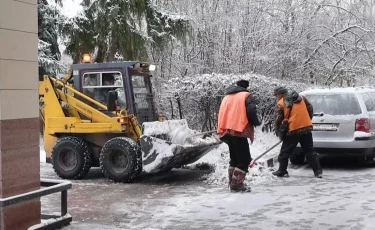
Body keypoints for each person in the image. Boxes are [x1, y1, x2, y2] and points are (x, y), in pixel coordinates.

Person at [217, 79, 261, 192]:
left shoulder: (227, 96)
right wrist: (256, 122)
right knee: (244, 159)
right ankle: (237, 185)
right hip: (239, 130)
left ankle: (232, 182)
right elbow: (251, 110)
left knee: (234, 158)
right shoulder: (246, 95)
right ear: (246, 87)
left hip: (227, 130)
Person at [273, 86, 323, 178]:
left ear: (280, 94)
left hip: (293, 130)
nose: (276, 97)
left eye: (276, 95)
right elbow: (310, 108)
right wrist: (307, 119)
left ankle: (282, 170)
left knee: (285, 152)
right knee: (310, 151)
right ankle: (318, 171)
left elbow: (278, 120)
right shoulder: (301, 98)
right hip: (306, 128)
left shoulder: (281, 103)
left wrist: (280, 132)